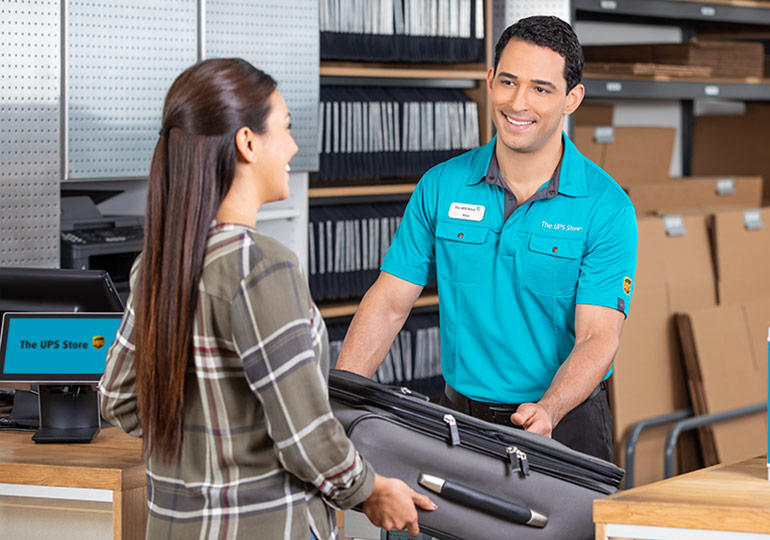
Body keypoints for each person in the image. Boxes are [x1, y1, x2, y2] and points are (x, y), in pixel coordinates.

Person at [98, 58, 435, 540]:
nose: (294, 147)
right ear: (248, 142)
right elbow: (305, 438)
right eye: (287, 128)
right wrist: (370, 489)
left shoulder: (159, 263)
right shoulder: (261, 266)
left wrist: (212, 435)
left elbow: (118, 399)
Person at [335, 16, 638, 462]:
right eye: (509, 82)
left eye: (541, 89)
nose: (518, 103)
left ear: (571, 99)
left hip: (563, 422)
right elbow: (389, 302)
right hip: (461, 421)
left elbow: (597, 337)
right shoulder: (441, 185)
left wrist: (548, 410)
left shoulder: (606, 207)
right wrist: (339, 400)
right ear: (490, 79)